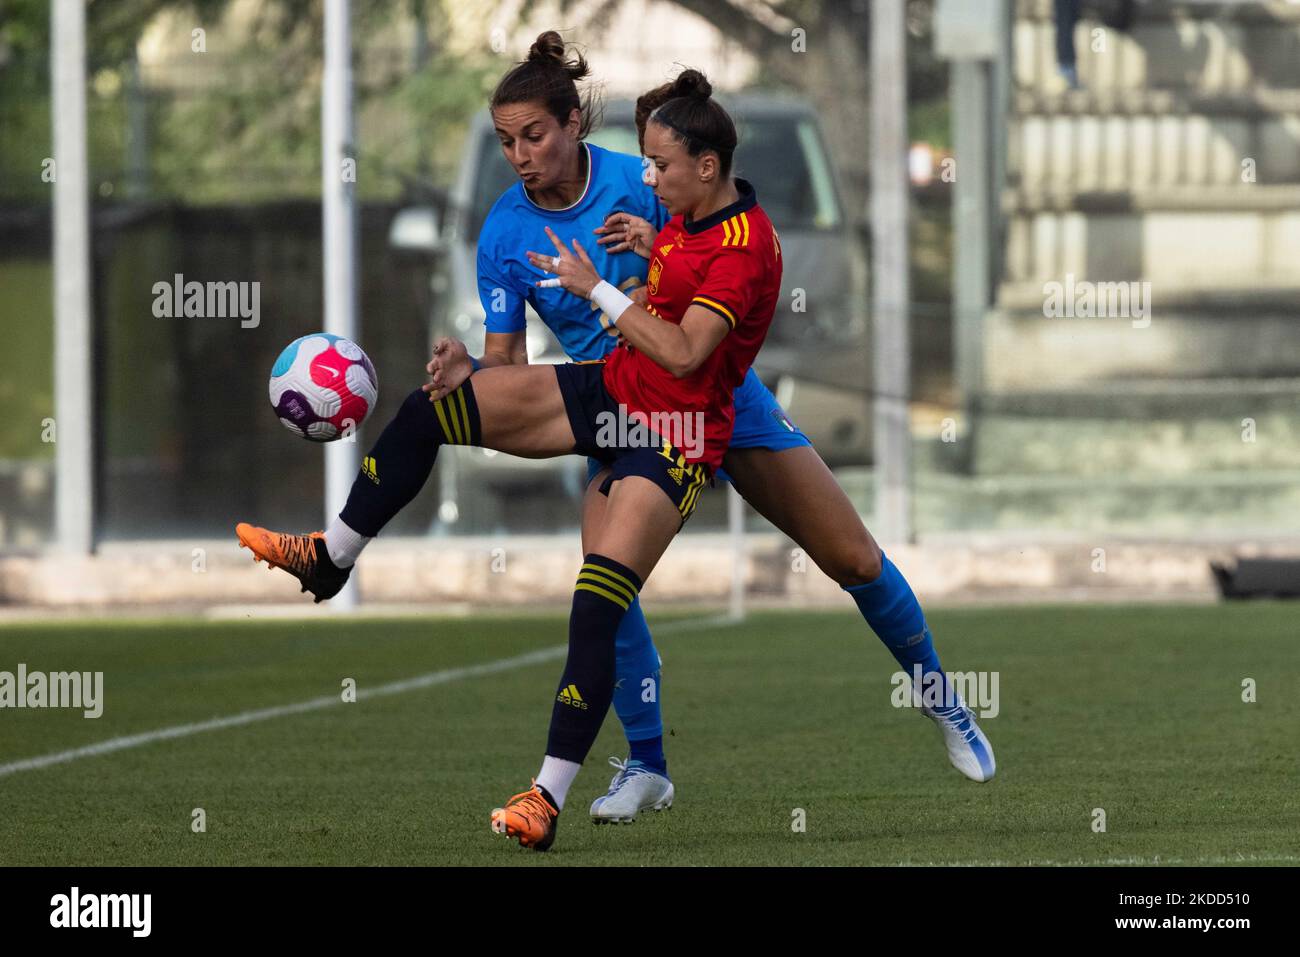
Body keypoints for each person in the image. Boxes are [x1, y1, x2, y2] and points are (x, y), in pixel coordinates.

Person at [238, 61, 784, 852]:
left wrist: (604, 278)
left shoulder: (682, 204)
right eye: (506, 142)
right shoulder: (509, 226)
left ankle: (546, 795)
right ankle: (331, 557)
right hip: (608, 387)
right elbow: (513, 360)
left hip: (680, 426)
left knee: (599, 599)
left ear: (572, 125)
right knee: (434, 407)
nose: (521, 153)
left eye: (533, 135)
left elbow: (686, 334)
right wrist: (474, 375)